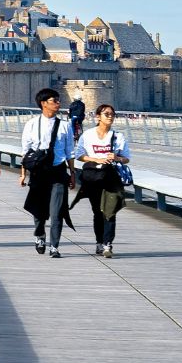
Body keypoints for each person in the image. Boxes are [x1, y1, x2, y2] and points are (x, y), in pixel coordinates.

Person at [20, 88, 75, 257]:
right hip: (39, 172)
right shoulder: (32, 124)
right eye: (54, 100)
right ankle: (40, 235)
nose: (58, 103)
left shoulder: (65, 126)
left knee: (57, 211)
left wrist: (72, 173)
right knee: (39, 211)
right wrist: (23, 174)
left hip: (58, 172)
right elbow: (26, 152)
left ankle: (55, 246)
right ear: (43, 103)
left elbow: (69, 152)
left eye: (58, 100)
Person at [72, 104, 131, 257]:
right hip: (93, 177)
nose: (110, 116)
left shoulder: (118, 137)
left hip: (111, 177)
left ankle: (108, 244)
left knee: (110, 211)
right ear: (98, 117)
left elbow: (126, 159)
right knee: (98, 212)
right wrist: (96, 158)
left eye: (112, 114)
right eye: (106, 114)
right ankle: (99, 242)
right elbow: (79, 155)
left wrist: (117, 158)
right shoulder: (88, 135)